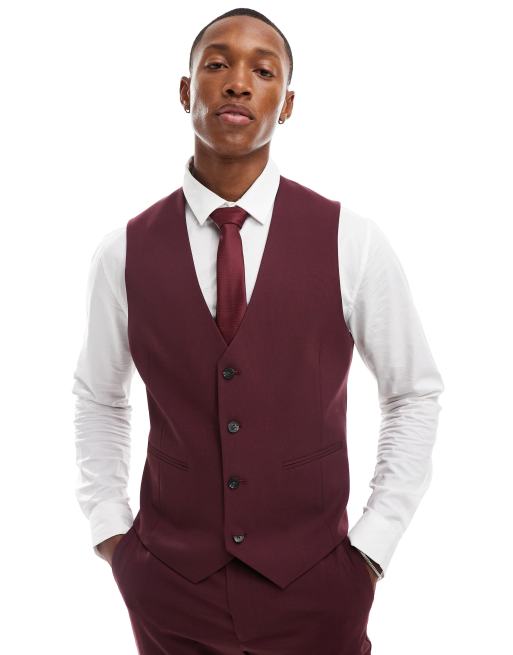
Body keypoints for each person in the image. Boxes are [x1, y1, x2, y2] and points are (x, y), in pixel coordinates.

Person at [72, 7, 444, 654]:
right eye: (217, 64)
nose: (238, 82)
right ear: (185, 90)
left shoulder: (351, 240)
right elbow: (98, 396)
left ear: (287, 103)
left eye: (263, 71)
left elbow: (413, 391)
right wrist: (112, 532)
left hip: (318, 589)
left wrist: (371, 549)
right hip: (169, 590)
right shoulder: (123, 251)